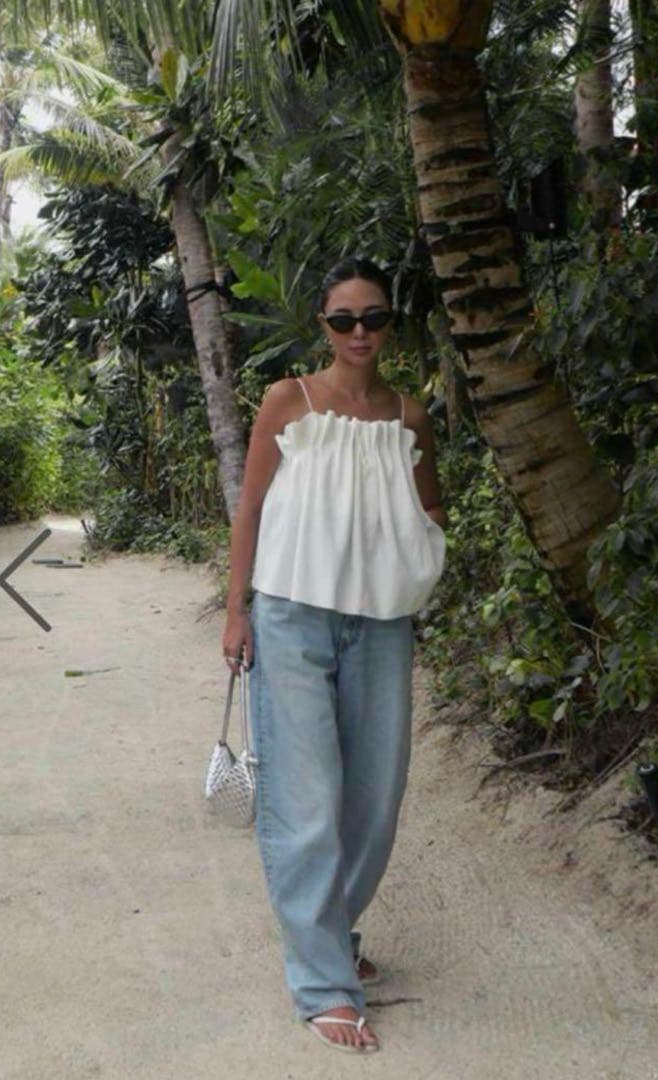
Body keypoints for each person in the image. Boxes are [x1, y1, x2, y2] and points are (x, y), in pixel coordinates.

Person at [221, 255, 447, 1053]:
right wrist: (237, 611)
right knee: (307, 801)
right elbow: (250, 508)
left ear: (390, 325)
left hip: (381, 623)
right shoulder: (290, 401)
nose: (359, 332)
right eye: (344, 318)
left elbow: (429, 507)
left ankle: (329, 933)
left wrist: (416, 561)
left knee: (373, 802)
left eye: (374, 317)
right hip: (291, 615)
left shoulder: (408, 415)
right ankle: (323, 982)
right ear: (322, 324)